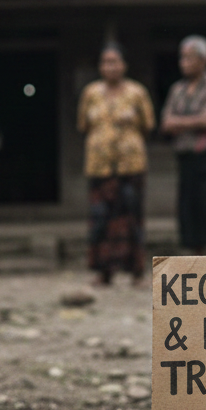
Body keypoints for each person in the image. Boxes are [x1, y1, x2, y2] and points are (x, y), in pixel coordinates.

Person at [77, 44, 155, 285]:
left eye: (115, 62)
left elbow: (149, 124)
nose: (110, 67)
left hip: (130, 165)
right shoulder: (91, 93)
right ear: (100, 66)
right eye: (106, 62)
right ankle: (104, 271)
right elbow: (82, 125)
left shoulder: (136, 92)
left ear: (124, 65)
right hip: (99, 165)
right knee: (101, 218)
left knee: (131, 217)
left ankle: (136, 271)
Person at [160, 35, 206, 255]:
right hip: (185, 157)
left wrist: (181, 122)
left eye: (189, 58)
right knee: (189, 213)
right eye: (182, 58)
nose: (184, 62)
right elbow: (166, 124)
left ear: (203, 60)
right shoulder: (177, 89)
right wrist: (193, 121)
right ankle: (197, 266)